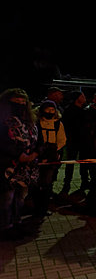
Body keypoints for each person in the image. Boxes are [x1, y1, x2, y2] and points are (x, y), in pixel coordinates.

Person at [0, 89, 39, 239]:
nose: (21, 105)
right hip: (7, 166)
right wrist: (18, 154)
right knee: (6, 200)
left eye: (23, 103)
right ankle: (5, 227)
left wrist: (38, 150)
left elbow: (34, 138)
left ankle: (17, 223)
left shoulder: (28, 120)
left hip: (25, 168)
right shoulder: (3, 120)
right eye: (16, 102)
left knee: (20, 197)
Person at [33, 100, 66, 219]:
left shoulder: (57, 124)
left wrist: (54, 150)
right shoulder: (36, 123)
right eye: (48, 109)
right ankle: (35, 207)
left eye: (52, 110)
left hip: (51, 157)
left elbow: (62, 140)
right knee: (36, 183)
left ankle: (44, 207)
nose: (50, 112)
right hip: (37, 157)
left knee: (47, 183)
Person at [59, 91, 88, 197]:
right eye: (82, 96)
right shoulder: (70, 110)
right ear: (77, 98)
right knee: (70, 164)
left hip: (82, 142)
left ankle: (84, 185)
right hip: (72, 141)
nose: (84, 97)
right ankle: (66, 186)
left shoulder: (83, 111)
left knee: (84, 163)